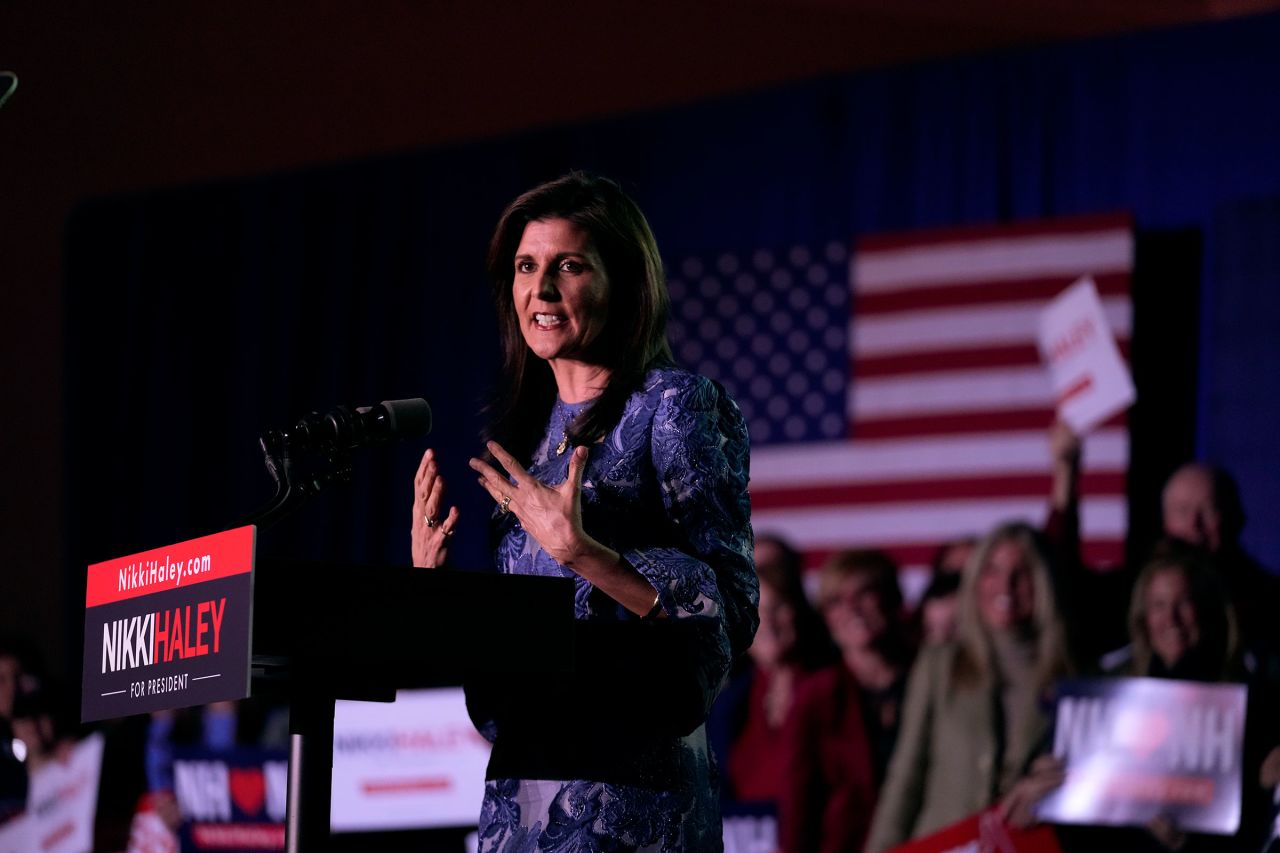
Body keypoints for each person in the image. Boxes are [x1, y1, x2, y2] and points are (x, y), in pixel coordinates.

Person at [409, 172, 758, 851]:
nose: (540, 290)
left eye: (568, 265)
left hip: (635, 812)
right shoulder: (526, 442)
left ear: (621, 280)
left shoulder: (674, 405)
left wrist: (587, 555)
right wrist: (438, 596)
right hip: (522, 808)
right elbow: (505, 679)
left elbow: (732, 609)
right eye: (525, 267)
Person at [864, 521, 1073, 853]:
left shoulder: (1071, 681)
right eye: (993, 570)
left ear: (1043, 583)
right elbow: (906, 775)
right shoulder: (939, 665)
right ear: (975, 580)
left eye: (1022, 572)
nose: (1006, 584)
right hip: (939, 844)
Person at [780, 549, 913, 853]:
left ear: (893, 598)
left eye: (865, 593)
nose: (852, 609)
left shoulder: (928, 681)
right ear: (826, 617)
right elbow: (798, 804)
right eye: (836, 601)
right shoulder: (815, 695)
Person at [712, 533, 835, 810]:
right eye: (756, 611)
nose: (767, 623)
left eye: (778, 608)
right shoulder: (728, 703)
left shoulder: (829, 687)